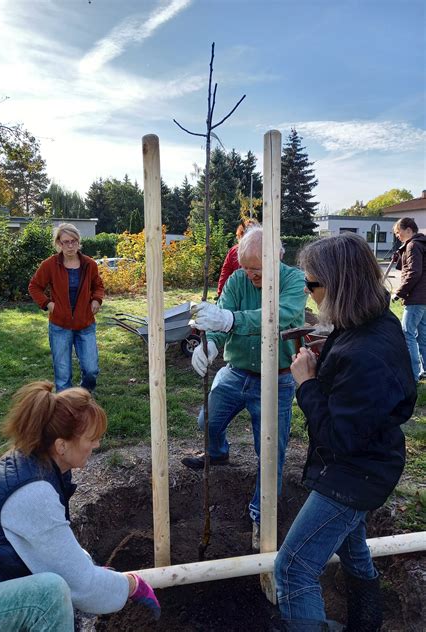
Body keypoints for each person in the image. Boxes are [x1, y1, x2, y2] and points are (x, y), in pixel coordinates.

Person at [274, 233, 416, 631]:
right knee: (352, 549)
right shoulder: (369, 323)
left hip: (353, 473)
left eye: (312, 285)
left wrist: (307, 384)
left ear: (339, 285)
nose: (307, 292)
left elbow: (340, 437)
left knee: (292, 568)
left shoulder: (365, 353)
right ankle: (365, 624)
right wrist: (329, 366)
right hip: (369, 463)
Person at [0, 381, 160, 630]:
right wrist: (131, 585)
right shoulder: (32, 493)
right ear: (61, 446)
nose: (97, 445)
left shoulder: (35, 465)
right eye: (92, 438)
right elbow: (82, 587)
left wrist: (88, 567)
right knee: (49, 596)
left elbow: (56, 550)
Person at [183, 225, 306, 549]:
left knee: (271, 453)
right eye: (246, 268)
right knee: (207, 420)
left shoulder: (292, 280)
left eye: (257, 269)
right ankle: (218, 451)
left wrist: (232, 321)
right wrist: (209, 345)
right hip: (236, 371)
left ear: (277, 259)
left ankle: (260, 516)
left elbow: (284, 315)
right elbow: (221, 322)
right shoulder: (237, 279)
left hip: (276, 378)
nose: (250, 275)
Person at [29, 223, 104, 393]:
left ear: (79, 242)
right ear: (59, 244)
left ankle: (83, 395)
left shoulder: (89, 264)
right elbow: (34, 286)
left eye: (73, 241)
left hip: (85, 324)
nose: (70, 246)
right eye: (65, 242)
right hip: (60, 326)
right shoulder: (50, 265)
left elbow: (98, 285)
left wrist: (97, 300)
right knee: (63, 376)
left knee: (91, 370)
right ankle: (65, 408)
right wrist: (48, 304)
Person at [392, 217, 426, 382]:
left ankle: (413, 376)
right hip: (423, 298)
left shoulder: (413, 245)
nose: (397, 235)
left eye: (398, 232)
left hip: (416, 298)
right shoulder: (420, 244)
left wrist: (399, 293)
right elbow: (410, 266)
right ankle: (424, 370)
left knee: (408, 334)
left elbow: (414, 272)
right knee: (422, 335)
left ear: (408, 230)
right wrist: (399, 256)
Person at [217, 219, 258, 297]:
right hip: (237, 291)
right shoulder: (234, 251)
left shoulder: (262, 251)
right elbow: (226, 271)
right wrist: (221, 293)